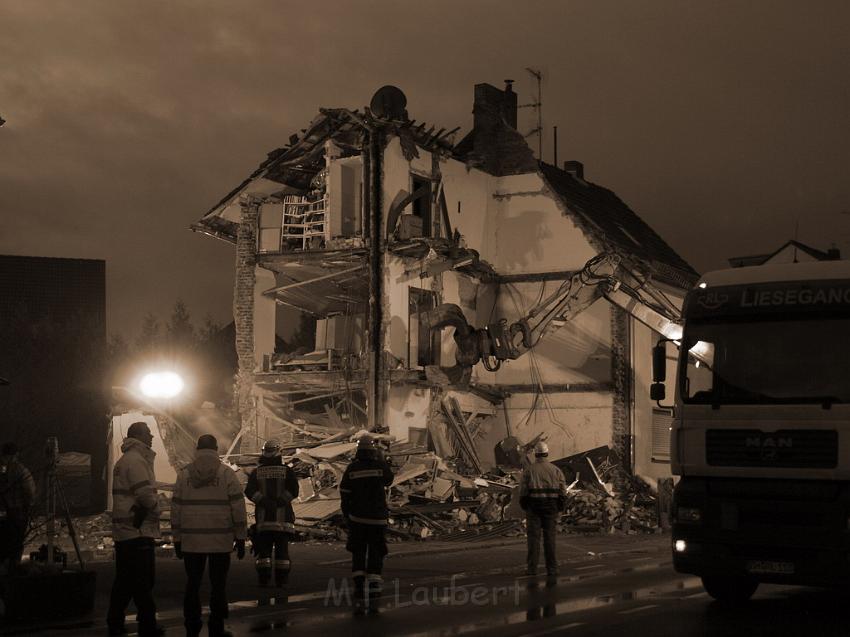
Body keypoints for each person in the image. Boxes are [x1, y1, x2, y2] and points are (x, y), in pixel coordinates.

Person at [172, 435, 247, 637]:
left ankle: (191, 617)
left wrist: (177, 539)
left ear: (197, 449)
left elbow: (176, 509)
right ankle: (217, 617)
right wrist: (240, 537)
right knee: (218, 582)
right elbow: (238, 508)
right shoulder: (227, 473)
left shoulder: (184, 474)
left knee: (193, 582)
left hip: (191, 540)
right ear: (215, 448)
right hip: (220, 540)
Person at [107, 421, 164, 637]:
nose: (151, 437)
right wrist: (158, 508)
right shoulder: (137, 461)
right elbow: (145, 494)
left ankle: (116, 620)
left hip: (126, 531)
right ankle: (147, 622)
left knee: (125, 580)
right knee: (142, 580)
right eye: (148, 433)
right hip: (137, 531)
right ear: (139, 436)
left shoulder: (124, 461)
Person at [339, 434, 394, 616]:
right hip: (377, 518)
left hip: (358, 518)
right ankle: (374, 586)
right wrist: (381, 458)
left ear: (358, 450)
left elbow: (344, 493)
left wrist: (346, 514)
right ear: (372, 450)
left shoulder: (352, 468)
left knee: (359, 551)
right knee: (376, 550)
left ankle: (359, 586)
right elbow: (389, 479)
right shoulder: (379, 465)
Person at [245, 439, 298, 589]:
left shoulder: (257, 472)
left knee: (264, 554)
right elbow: (294, 490)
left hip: (264, 521)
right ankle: (281, 581)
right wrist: (280, 502)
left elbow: (249, 491)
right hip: (283, 523)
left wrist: (263, 502)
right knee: (282, 553)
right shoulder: (287, 471)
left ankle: (264, 579)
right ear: (279, 452)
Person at [519, 441, 568, 578]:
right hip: (551, 508)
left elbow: (523, 491)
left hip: (533, 508)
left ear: (535, 454)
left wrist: (525, 505)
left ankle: (532, 569)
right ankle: (552, 569)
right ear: (547, 453)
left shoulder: (529, 470)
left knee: (533, 540)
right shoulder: (556, 470)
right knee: (549, 539)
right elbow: (563, 492)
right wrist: (560, 507)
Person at [0, 442, 36, 573]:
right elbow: (30, 491)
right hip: (17, 512)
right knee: (16, 542)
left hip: (3, 514)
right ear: (16, 454)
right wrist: (30, 505)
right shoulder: (20, 470)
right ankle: (13, 569)